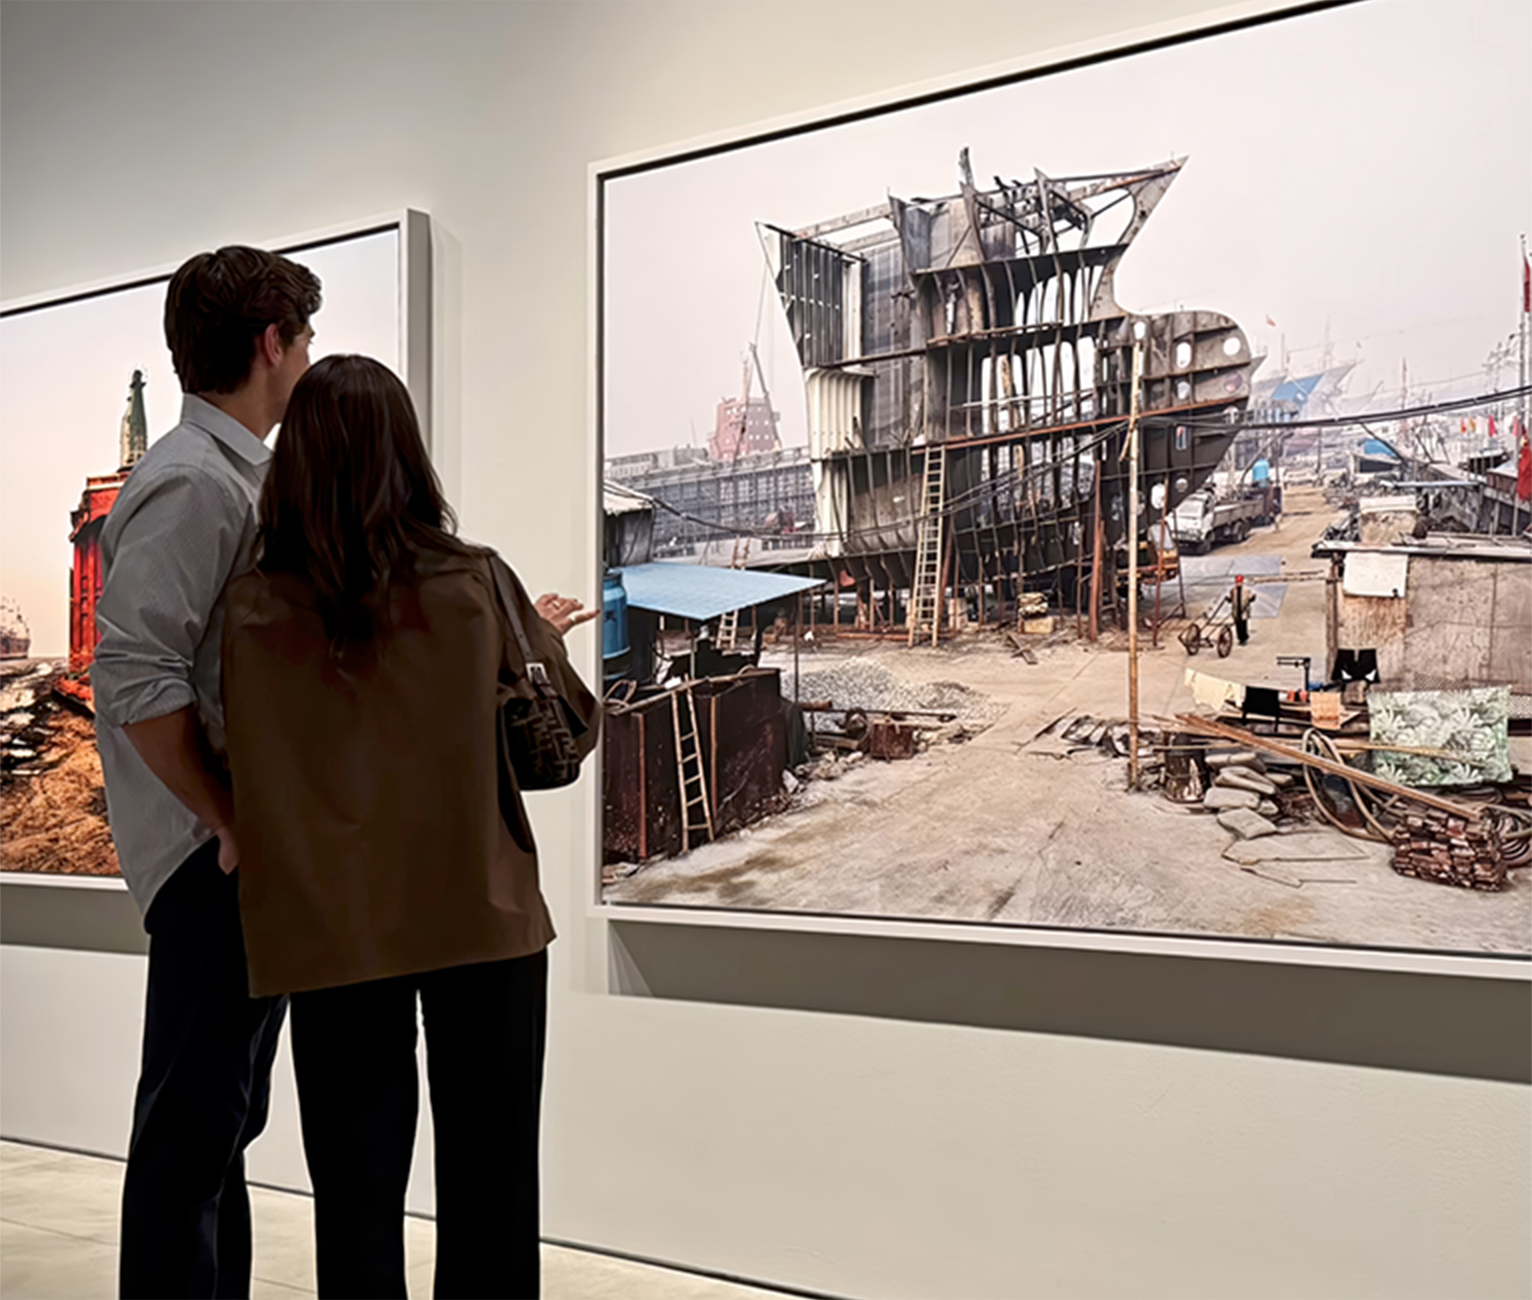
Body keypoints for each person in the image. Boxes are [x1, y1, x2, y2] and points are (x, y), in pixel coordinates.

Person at [218, 354, 599, 1299]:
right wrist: (537, 634)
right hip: (481, 911)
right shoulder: (473, 583)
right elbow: (562, 731)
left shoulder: (254, 608)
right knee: (493, 1180)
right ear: (407, 452)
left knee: (353, 1192)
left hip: (332, 928)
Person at [91, 246, 321, 1298]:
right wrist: (224, 815)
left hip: (225, 852)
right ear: (271, 343)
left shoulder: (233, 475)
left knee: (218, 1127)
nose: (307, 360)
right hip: (206, 861)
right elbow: (133, 675)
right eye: (304, 339)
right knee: (191, 1135)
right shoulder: (194, 482)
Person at [1230, 573, 1256, 646]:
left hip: (1243, 609)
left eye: (1239, 582)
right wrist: (1229, 599)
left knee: (1243, 625)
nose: (1238, 584)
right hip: (1236, 610)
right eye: (1237, 582)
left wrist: (1252, 598)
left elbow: (1251, 596)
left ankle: (1244, 638)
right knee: (1238, 625)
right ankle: (1240, 638)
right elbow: (1232, 599)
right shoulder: (1233, 590)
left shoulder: (1246, 590)